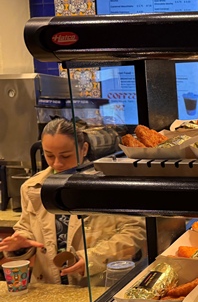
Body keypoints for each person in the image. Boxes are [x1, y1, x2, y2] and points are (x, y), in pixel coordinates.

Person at [0, 118, 146, 286]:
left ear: (84, 149)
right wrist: (20, 244)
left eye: (66, 156)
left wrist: (92, 259)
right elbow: (27, 230)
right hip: (49, 288)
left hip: (94, 286)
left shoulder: (108, 186)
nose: (57, 163)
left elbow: (136, 232)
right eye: (49, 155)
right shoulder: (32, 187)